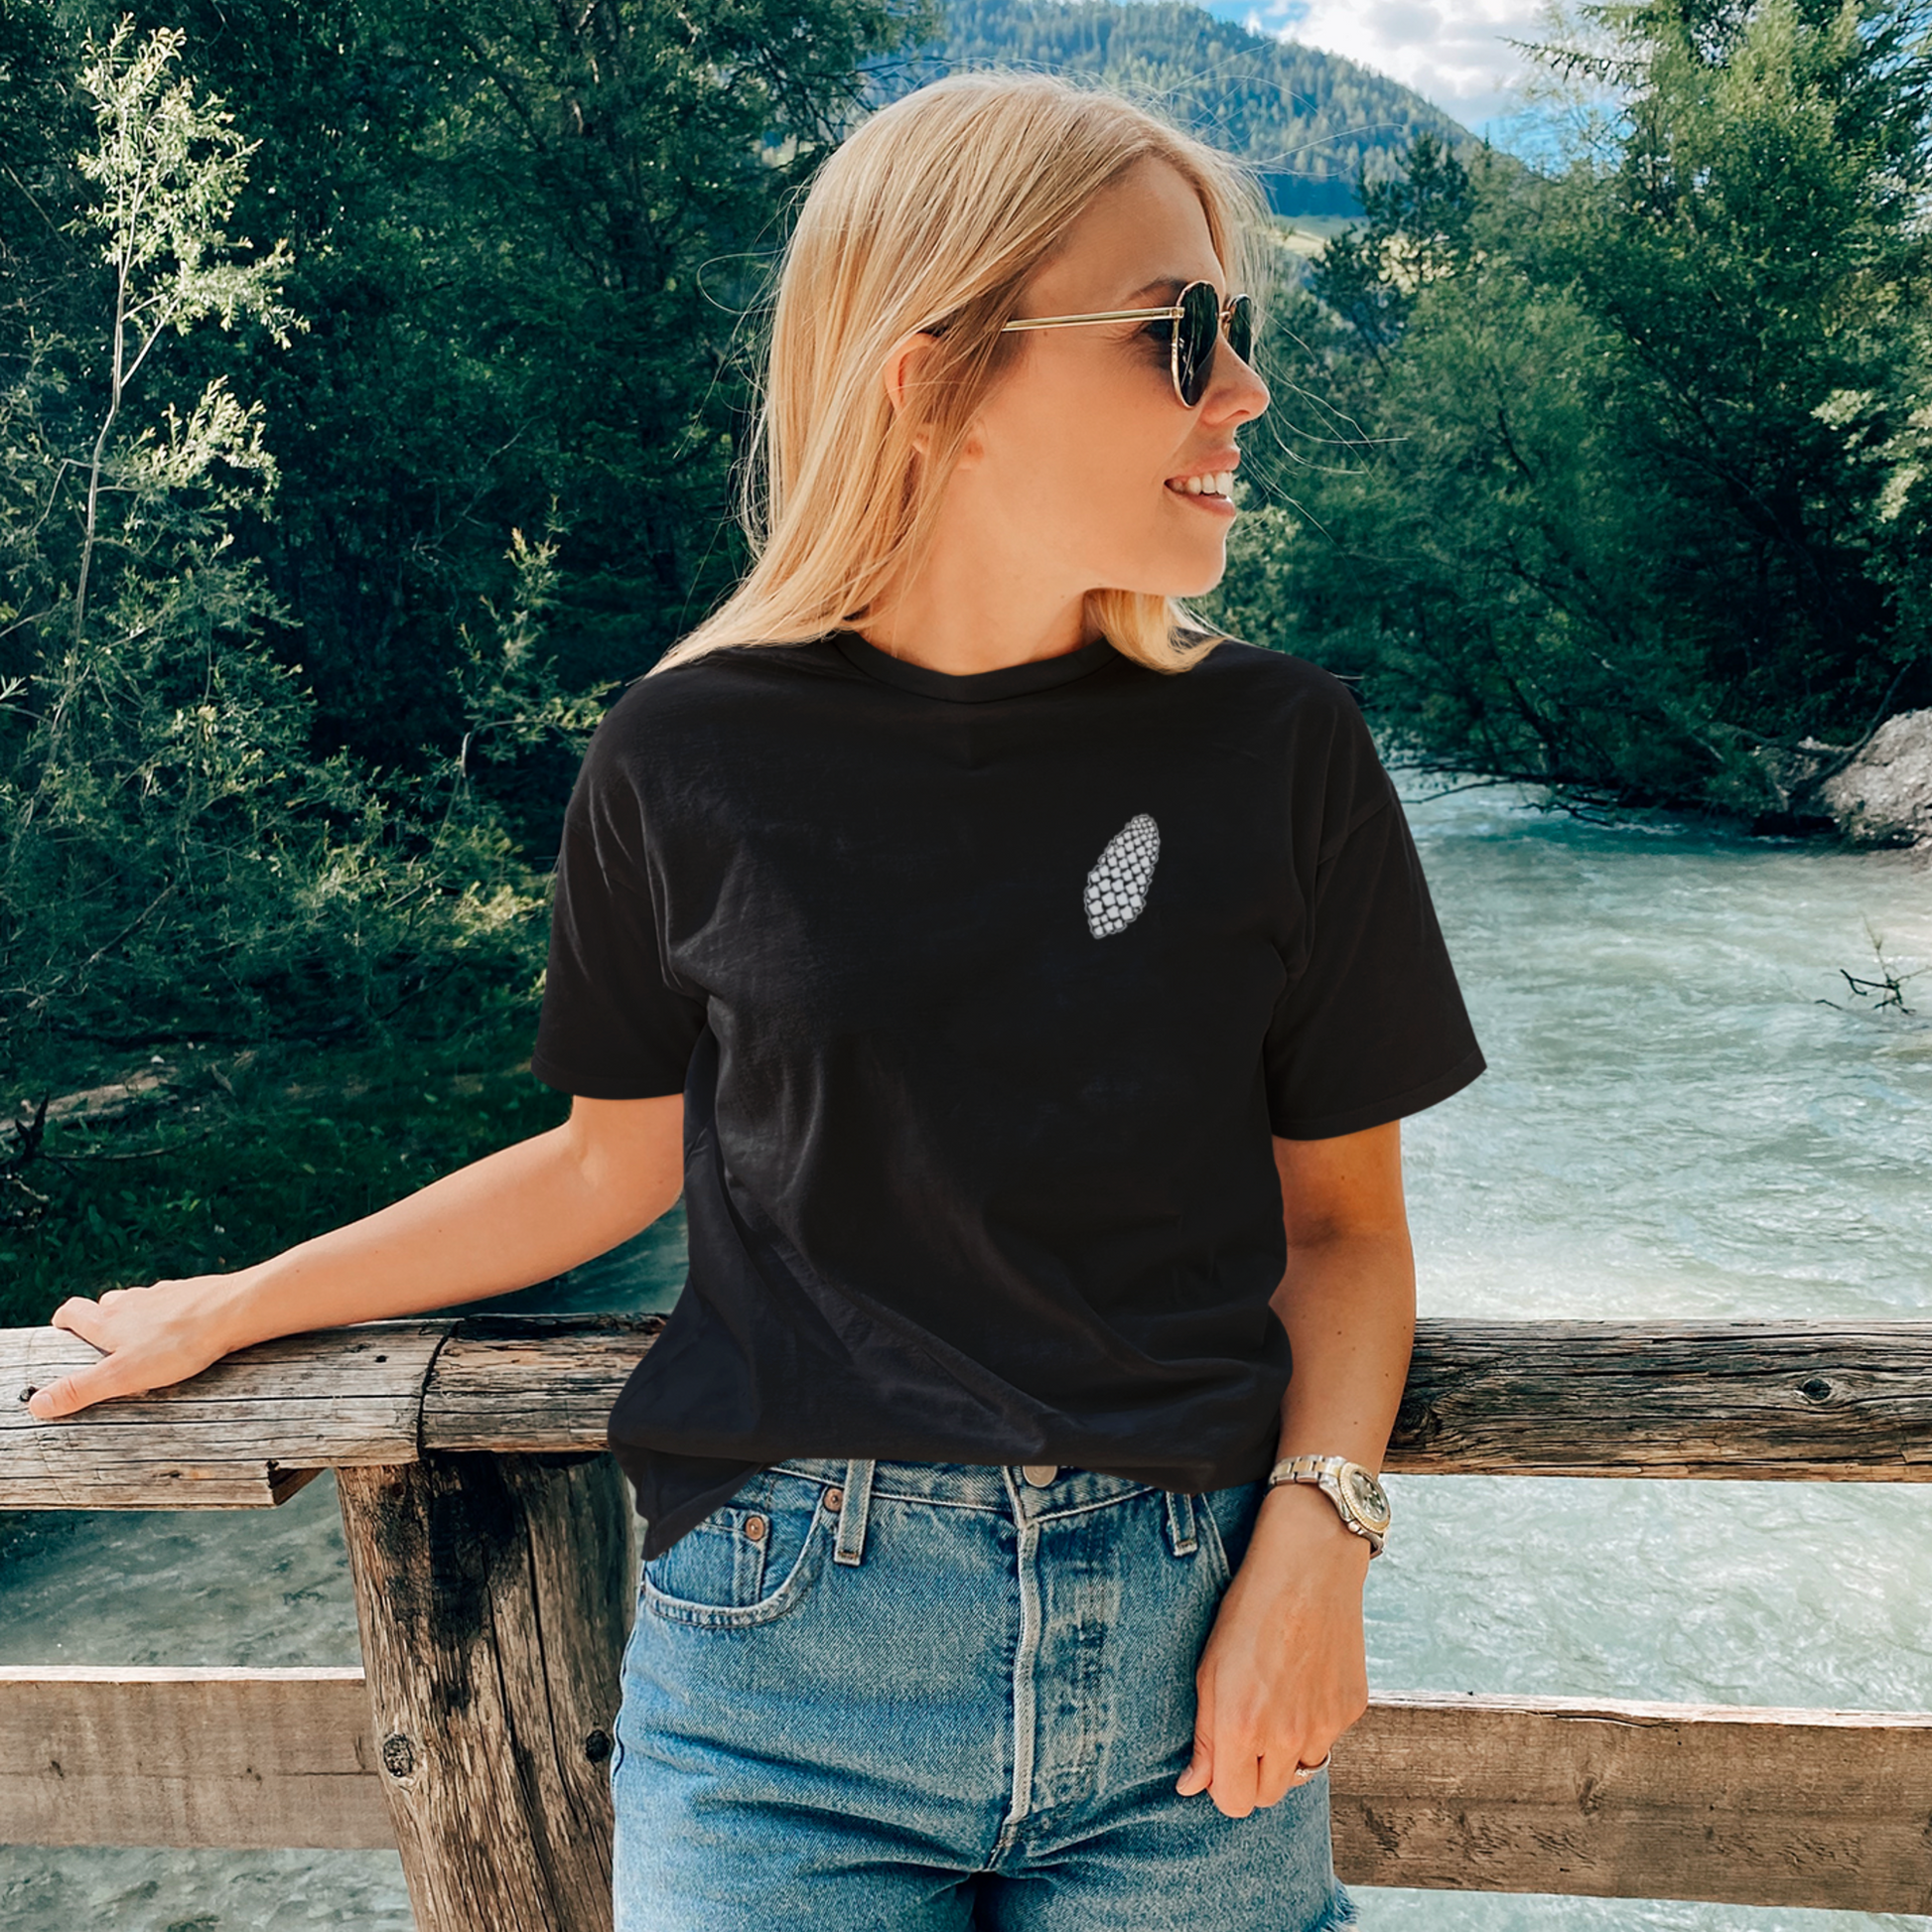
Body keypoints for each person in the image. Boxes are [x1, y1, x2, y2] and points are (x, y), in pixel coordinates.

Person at [26, 71, 1483, 1932]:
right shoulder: (684, 749)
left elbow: (1343, 1230)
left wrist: (1319, 1543)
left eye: (1236, 329)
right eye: (1174, 334)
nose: (1242, 389)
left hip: (1188, 1679)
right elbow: (597, 1170)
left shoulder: (1282, 749)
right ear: (933, 375)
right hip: (781, 1680)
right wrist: (240, 1302)